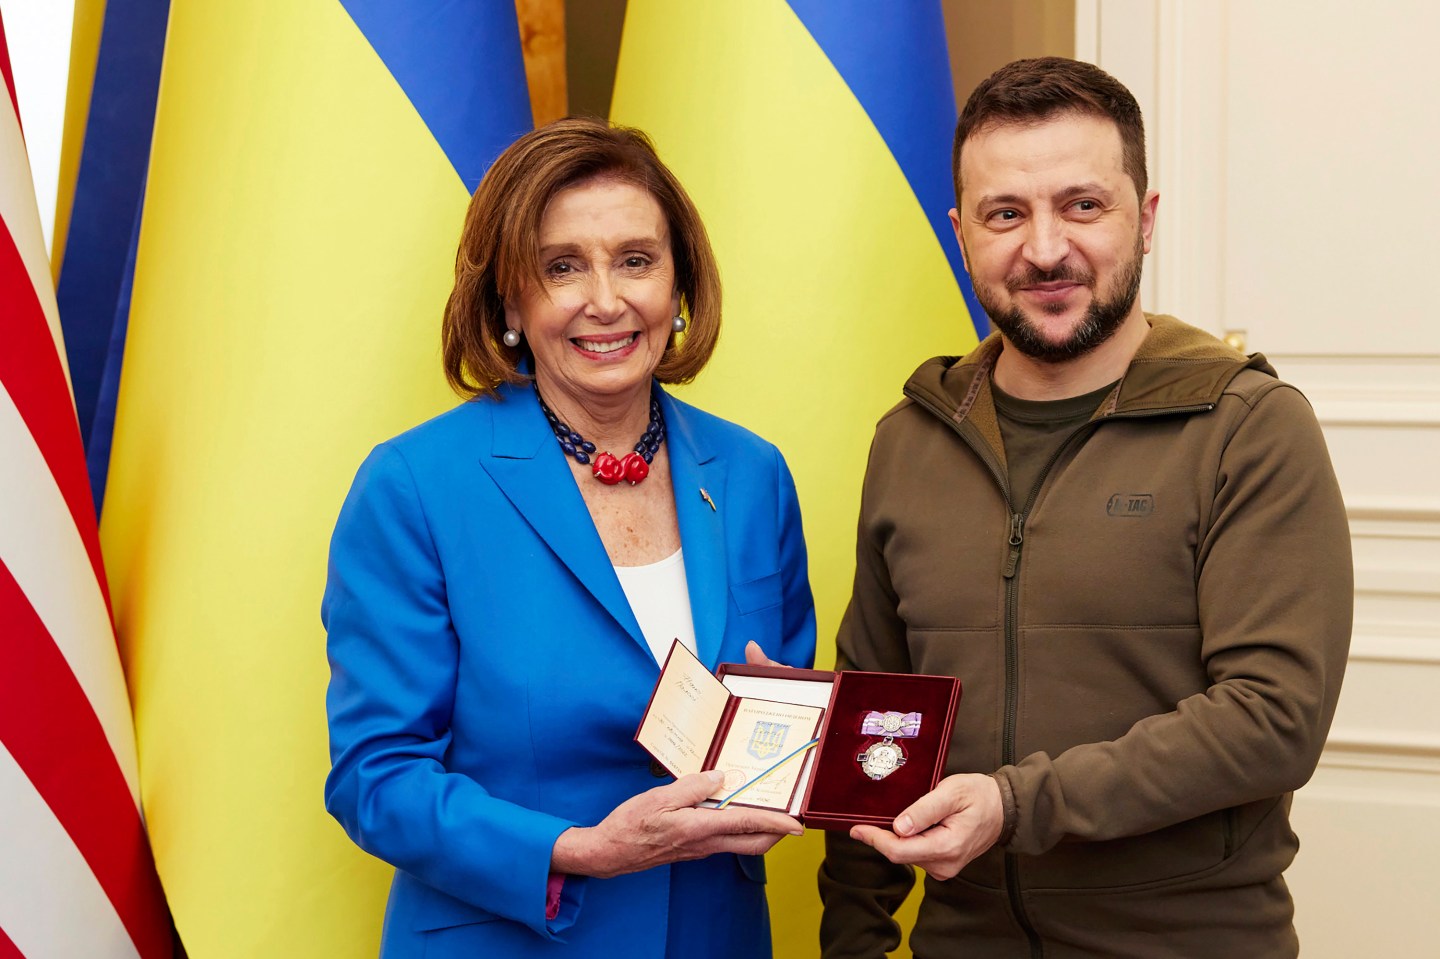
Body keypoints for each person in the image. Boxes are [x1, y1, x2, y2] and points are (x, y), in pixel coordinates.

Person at [818, 57, 1351, 958]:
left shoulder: (1249, 427)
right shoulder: (908, 441)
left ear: (1144, 219)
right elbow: (879, 711)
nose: (1044, 249)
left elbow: (1273, 718)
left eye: (1082, 205)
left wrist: (1015, 804)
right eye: (1005, 214)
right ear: (960, 233)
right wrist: (855, 940)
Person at [323, 118, 816, 958]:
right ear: (510, 300)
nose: (607, 299)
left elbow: (782, 710)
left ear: (679, 283)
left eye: (636, 259)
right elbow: (376, 776)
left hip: (713, 934)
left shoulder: (752, 473)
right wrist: (580, 848)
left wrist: (795, 753)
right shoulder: (414, 485)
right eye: (562, 267)